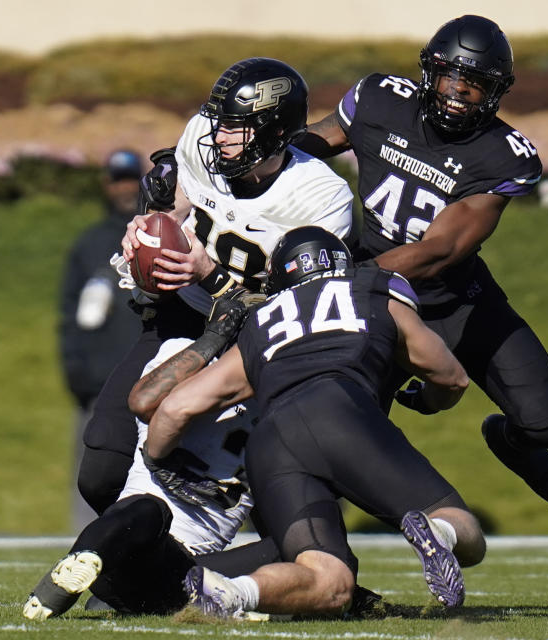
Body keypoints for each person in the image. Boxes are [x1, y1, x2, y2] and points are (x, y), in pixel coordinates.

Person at [295, 14, 548, 508]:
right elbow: (313, 143)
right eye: (450, 75)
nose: (457, 91)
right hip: (375, 303)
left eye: (475, 83)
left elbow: (438, 251)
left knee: (547, 424)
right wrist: (253, 156)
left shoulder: (503, 156)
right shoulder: (381, 98)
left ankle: (509, 441)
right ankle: (315, 550)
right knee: (344, 440)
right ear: (429, 72)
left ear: (495, 93)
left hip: (450, 300)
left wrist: (345, 279)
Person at [144, 226, 485, 618]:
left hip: (272, 444)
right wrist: (427, 400)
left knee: (330, 583)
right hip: (340, 410)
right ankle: (439, 532)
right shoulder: (369, 288)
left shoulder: (261, 323)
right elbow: (451, 377)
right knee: (465, 531)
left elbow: (176, 408)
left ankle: (236, 592)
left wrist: (158, 459)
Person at [77, 57, 353, 516]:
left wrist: (209, 273)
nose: (218, 136)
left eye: (235, 127)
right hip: (182, 317)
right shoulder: (203, 137)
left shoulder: (321, 198)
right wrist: (148, 228)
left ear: (275, 130)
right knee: (102, 470)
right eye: (219, 122)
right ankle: (140, 561)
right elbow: (175, 206)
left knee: (278, 498)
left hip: (259, 344)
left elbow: (307, 310)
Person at [24, 294, 265, 618]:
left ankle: (113, 587)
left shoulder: (280, 391)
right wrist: (213, 340)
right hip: (130, 544)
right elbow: (146, 399)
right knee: (150, 511)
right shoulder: (180, 354)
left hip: (190, 572)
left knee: (301, 553)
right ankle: (82, 561)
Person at [59, 149, 145, 529]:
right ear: (106, 185)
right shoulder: (90, 244)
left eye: (131, 179)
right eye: (117, 179)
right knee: (94, 471)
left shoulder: (164, 235)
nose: (125, 188)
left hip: (154, 378)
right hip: (101, 381)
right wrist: (77, 370)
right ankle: (85, 546)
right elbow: (69, 314)